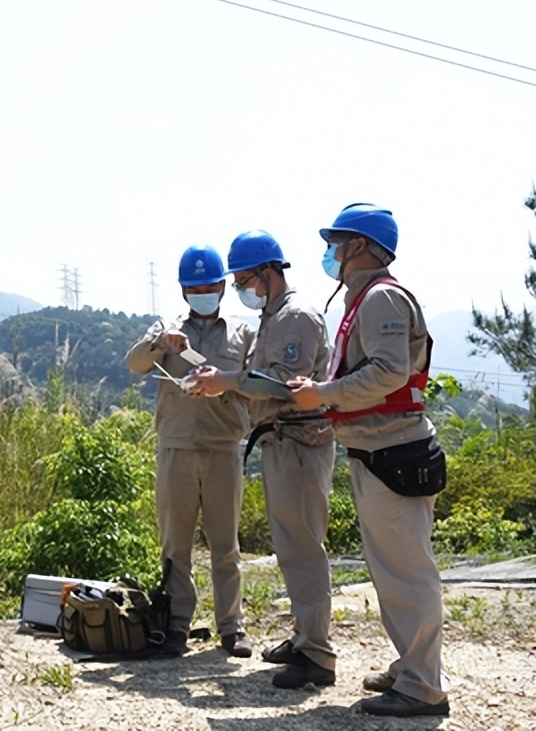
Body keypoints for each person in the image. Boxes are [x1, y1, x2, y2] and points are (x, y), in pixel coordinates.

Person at [287, 203, 450, 718]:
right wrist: (326, 403)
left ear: (358, 246)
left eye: (337, 242)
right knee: (392, 571)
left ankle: (423, 685)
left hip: (392, 451)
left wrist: (323, 393)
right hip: (381, 449)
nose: (331, 252)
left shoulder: (380, 298)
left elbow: (388, 372)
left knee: (406, 573)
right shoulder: (368, 299)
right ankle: (411, 668)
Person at [190, 230, 337, 689]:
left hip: (300, 440)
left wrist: (226, 381)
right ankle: (304, 637)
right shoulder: (275, 317)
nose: (241, 288)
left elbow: (280, 384)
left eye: (244, 278)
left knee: (304, 547)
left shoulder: (294, 317)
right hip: (282, 440)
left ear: (268, 272)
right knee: (291, 546)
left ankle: (316, 653)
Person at [125, 244, 255, 658]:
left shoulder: (242, 332)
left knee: (225, 544)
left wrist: (227, 381)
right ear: (183, 291)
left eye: (209, 285)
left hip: (223, 449)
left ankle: (231, 627)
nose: (202, 292)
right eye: (193, 287)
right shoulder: (165, 328)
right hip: (175, 449)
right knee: (175, 544)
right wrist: (160, 341)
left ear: (222, 286)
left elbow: (254, 381)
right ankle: (177, 624)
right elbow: (134, 364)